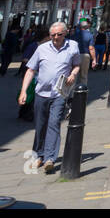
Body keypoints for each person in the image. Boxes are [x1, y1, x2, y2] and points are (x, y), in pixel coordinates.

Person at [20, 21, 81, 174]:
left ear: (65, 33)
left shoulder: (72, 46)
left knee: (54, 124)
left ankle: (50, 159)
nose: (55, 38)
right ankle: (39, 154)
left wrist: (73, 74)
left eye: (59, 35)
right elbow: (30, 71)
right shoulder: (41, 49)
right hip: (41, 93)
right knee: (40, 126)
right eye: (52, 35)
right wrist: (24, 91)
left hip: (60, 93)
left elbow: (76, 64)